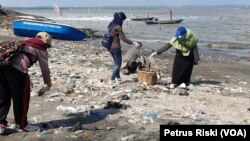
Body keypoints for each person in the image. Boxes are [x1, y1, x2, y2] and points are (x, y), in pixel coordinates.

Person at [0, 32, 52, 134]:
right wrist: (48, 83)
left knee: (3, 96)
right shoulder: (41, 47)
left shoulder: (25, 41)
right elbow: (44, 68)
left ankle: (0, 123)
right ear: (46, 42)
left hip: (2, 67)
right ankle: (22, 124)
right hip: (17, 71)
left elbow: (18, 57)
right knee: (21, 99)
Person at [108, 12, 140, 83]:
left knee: (116, 63)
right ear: (120, 19)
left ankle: (118, 78)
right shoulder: (118, 27)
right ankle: (112, 79)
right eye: (123, 20)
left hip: (110, 47)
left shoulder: (111, 25)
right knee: (118, 64)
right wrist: (133, 43)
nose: (123, 21)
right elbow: (123, 38)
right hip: (116, 47)